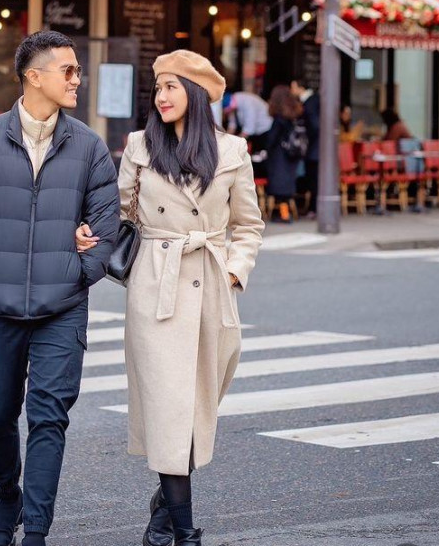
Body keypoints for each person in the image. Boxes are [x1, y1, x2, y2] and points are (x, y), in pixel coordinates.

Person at [77, 50, 264, 546]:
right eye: (157, 88)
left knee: (196, 404)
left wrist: (232, 274)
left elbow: (248, 226)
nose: (160, 97)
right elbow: (117, 213)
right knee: (167, 407)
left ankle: (165, 505)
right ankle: (185, 531)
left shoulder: (232, 152)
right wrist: (87, 233)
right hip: (155, 286)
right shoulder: (139, 146)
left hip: (209, 285)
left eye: (171, 88)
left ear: (196, 95)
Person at [0, 31, 119, 546]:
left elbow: (107, 223)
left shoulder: (88, 146)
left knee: (48, 418)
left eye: (78, 71)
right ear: (33, 77)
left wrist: (80, 272)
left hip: (62, 308)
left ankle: (36, 528)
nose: (77, 80)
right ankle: (7, 499)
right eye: (68, 70)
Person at [266, 85, 304, 224]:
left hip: (279, 158)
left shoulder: (278, 120)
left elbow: (271, 140)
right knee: (286, 190)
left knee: (279, 190)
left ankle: (283, 215)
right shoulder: (292, 118)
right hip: (291, 156)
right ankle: (286, 213)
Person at [222, 90, 273, 176]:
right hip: (254, 131)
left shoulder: (247, 102)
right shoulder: (232, 104)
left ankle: (260, 180)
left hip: (265, 129)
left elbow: (249, 129)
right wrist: (225, 141)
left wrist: (234, 144)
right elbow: (232, 126)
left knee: (258, 158)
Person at [290, 79, 320, 217]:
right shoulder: (314, 99)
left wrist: (306, 140)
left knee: (313, 179)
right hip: (317, 148)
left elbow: (314, 126)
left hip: (314, 149)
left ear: (300, 87)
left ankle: (313, 208)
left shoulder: (309, 103)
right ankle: (312, 207)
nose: (291, 91)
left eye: (293, 87)